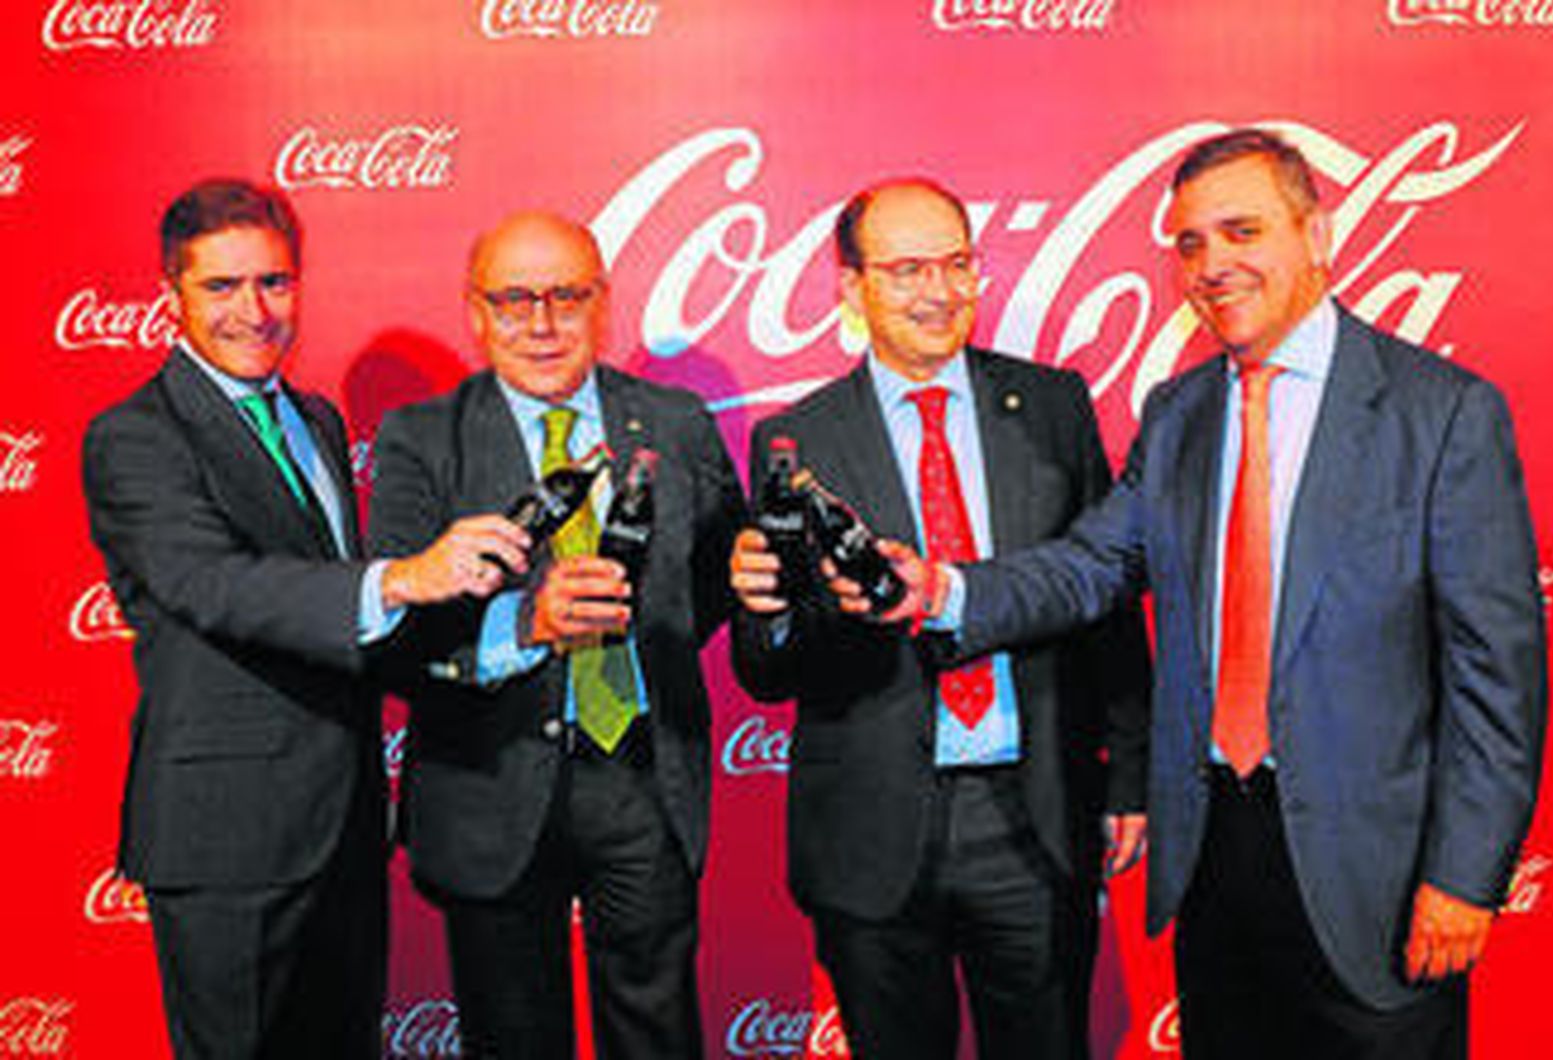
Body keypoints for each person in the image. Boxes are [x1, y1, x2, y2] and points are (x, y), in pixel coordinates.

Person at [872, 130, 1548, 1059]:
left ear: (1318, 234)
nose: (1213, 263)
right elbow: (1091, 564)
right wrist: (943, 588)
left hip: (1378, 882)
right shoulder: (1179, 413)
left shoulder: (1443, 413)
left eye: (1241, 231)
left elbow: (1497, 681)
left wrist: (1466, 877)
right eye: (1190, 243)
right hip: (1214, 866)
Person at [81, 178, 530, 1059]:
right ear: (171, 294)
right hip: (226, 841)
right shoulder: (135, 434)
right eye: (222, 287)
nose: (254, 310)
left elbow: (345, 622)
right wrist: (405, 576)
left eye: (275, 283)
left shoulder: (315, 420)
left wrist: (507, 615)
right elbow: (214, 584)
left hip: (346, 829)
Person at [728, 178, 1152, 1059]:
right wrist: (764, 608)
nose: (939, 290)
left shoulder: (1053, 406)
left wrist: (1129, 775)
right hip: (871, 830)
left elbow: (1104, 597)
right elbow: (768, 673)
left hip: (1030, 816)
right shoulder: (794, 438)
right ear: (853, 288)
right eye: (907, 268)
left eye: (957, 263)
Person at [368, 209, 746, 1059]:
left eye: (566, 297)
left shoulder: (678, 422)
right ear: (475, 311)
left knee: (659, 1034)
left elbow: (724, 577)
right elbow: (391, 634)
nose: (541, 324)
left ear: (603, 304)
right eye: (514, 300)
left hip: (641, 777)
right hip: (490, 782)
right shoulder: (421, 439)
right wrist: (522, 627)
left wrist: (655, 630)